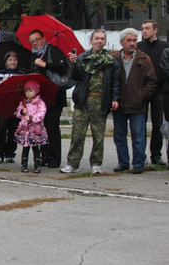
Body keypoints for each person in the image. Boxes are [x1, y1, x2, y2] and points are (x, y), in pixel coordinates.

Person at [60, 30, 120, 174]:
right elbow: (75, 77)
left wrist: (115, 99)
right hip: (83, 101)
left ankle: (96, 164)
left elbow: (116, 83)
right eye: (97, 38)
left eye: (102, 39)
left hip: (100, 101)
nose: (99, 41)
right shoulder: (82, 57)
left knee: (98, 136)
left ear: (105, 42)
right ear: (91, 41)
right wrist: (73, 64)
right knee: (77, 134)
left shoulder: (111, 61)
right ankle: (72, 164)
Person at [111, 28, 158, 174]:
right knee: (119, 135)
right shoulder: (114, 58)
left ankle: (138, 163)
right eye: (129, 41)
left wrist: (141, 95)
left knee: (138, 136)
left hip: (138, 105)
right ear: (121, 42)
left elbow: (152, 81)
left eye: (134, 41)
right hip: (119, 103)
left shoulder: (144, 59)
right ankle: (123, 162)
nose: (132, 43)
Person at [29, 29, 68, 168]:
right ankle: (44, 156)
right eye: (32, 41)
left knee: (52, 127)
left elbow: (64, 68)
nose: (35, 43)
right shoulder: (33, 56)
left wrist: (45, 64)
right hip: (39, 98)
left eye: (37, 39)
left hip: (54, 96)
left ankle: (54, 158)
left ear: (43, 38)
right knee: (41, 127)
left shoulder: (53, 51)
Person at [137, 20, 168, 165]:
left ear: (155, 30)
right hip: (142, 90)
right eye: (142, 29)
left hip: (159, 90)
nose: (144, 31)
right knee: (140, 124)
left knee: (157, 124)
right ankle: (140, 156)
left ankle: (156, 155)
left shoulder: (164, 47)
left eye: (147, 28)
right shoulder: (138, 47)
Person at [0, 51, 27, 163]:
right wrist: (1, 82)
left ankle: (10, 153)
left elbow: (26, 90)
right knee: (1, 128)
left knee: (14, 130)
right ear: (6, 62)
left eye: (15, 60)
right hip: (2, 105)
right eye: (10, 60)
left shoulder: (21, 73)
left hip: (16, 106)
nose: (13, 62)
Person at [14, 80, 48, 173]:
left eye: (30, 91)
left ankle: (37, 165)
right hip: (25, 129)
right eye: (26, 91)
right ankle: (24, 164)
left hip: (35, 129)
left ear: (36, 91)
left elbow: (41, 114)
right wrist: (21, 112)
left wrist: (32, 118)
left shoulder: (40, 103)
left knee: (36, 147)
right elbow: (17, 113)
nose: (28, 93)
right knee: (25, 147)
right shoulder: (23, 103)